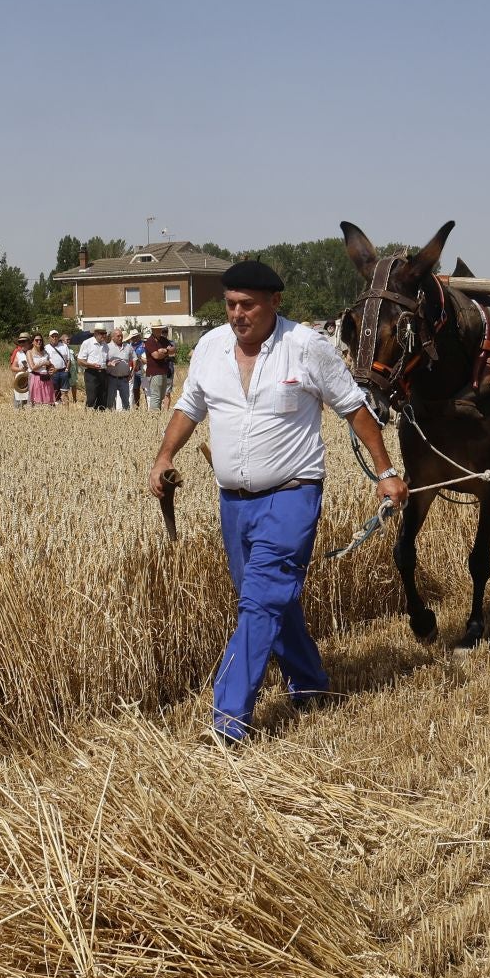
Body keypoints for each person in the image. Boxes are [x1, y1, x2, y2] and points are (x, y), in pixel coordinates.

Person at [147, 260, 408, 744]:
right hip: (234, 504)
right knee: (272, 601)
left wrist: (386, 471)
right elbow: (189, 406)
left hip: (292, 495)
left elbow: (353, 407)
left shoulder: (306, 347)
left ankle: (227, 722)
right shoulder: (208, 348)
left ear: (275, 303)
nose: (237, 314)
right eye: (230, 305)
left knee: (260, 603)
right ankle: (309, 684)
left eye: (247, 305)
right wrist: (164, 456)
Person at [145, 321, 177, 411]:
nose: (160, 330)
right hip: (154, 372)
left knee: (161, 395)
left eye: (160, 328)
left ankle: (156, 416)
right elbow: (156, 356)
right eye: (157, 329)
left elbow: (174, 349)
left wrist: (165, 351)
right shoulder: (150, 341)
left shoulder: (163, 339)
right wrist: (167, 352)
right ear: (153, 330)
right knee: (156, 396)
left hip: (163, 371)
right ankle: (154, 417)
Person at [78, 328, 111, 408]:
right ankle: (89, 416)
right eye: (101, 333)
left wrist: (109, 363)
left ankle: (100, 417)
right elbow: (80, 360)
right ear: (95, 333)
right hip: (91, 373)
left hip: (103, 372)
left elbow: (106, 361)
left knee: (103, 397)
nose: (104, 335)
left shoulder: (105, 345)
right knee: (92, 397)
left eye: (105, 333)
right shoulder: (87, 343)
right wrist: (91, 365)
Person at [106, 327, 135, 411]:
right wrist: (109, 364)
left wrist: (131, 372)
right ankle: (109, 419)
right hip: (111, 378)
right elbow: (103, 361)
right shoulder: (107, 347)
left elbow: (134, 359)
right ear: (113, 337)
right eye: (118, 336)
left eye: (121, 336)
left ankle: (126, 420)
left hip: (124, 379)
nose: (121, 338)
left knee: (126, 402)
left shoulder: (128, 347)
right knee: (110, 401)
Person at [26, 332, 57, 408]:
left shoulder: (45, 352)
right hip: (35, 378)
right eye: (36, 340)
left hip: (46, 378)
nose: (39, 342)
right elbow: (32, 367)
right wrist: (43, 362)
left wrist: (53, 370)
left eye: (40, 340)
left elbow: (51, 365)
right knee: (37, 402)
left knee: (48, 401)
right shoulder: (29, 352)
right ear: (32, 342)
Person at [44, 330, 73, 404]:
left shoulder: (64, 346)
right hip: (53, 373)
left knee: (65, 393)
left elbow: (69, 359)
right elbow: (45, 361)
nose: (54, 338)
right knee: (54, 392)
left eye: (56, 336)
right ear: (49, 338)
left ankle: (66, 412)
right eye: (52, 336)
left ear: (58, 337)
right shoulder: (46, 348)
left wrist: (67, 370)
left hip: (63, 371)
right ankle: (56, 411)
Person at [8, 332, 33, 408]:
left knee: (31, 402)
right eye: (20, 342)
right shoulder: (19, 353)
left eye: (24, 341)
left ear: (29, 342)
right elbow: (13, 367)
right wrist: (20, 369)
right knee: (20, 403)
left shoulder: (34, 352)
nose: (22, 343)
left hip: (33, 380)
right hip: (22, 380)